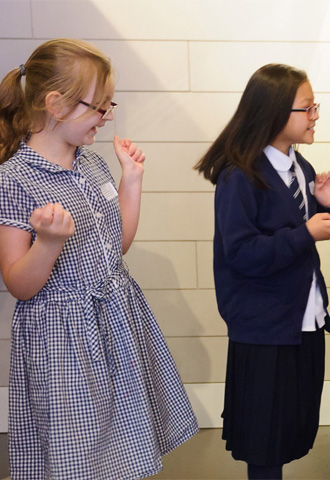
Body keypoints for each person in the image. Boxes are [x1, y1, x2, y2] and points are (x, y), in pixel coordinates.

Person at [0, 38, 198, 479]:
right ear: (55, 104)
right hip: (63, 339)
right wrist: (48, 243)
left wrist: (132, 180)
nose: (108, 118)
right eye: (99, 107)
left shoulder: (90, 165)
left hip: (115, 322)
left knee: (120, 449)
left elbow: (116, 246)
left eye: (110, 106)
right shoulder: (14, 178)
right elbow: (19, 284)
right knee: (77, 452)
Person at [195, 63, 330, 480]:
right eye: (308, 108)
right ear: (275, 113)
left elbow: (296, 231)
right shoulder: (240, 177)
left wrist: (325, 207)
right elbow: (243, 253)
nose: (315, 115)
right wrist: (307, 231)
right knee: (264, 439)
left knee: (290, 429)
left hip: (303, 319)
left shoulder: (303, 169)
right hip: (264, 327)